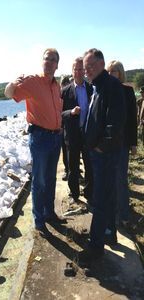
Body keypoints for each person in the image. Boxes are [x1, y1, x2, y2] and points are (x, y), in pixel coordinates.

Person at [4, 48, 65, 238]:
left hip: (55, 137)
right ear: (43, 61)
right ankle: (39, 221)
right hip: (40, 138)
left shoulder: (57, 86)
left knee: (50, 178)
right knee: (39, 181)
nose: (49, 62)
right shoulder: (33, 81)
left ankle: (49, 213)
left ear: (57, 64)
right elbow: (9, 94)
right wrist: (12, 82)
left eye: (53, 59)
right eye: (47, 58)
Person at [78, 48, 126, 267]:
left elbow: (114, 124)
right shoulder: (98, 86)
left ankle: (95, 247)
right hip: (98, 153)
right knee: (106, 197)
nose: (86, 71)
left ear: (101, 64)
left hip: (105, 155)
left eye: (89, 66)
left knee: (100, 201)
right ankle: (110, 235)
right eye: (85, 67)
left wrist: (100, 148)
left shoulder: (111, 86)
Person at [106, 60, 137, 228]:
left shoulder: (127, 91)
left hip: (123, 143)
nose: (111, 74)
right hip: (106, 145)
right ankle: (113, 211)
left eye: (115, 71)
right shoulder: (104, 91)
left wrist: (133, 143)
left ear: (121, 73)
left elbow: (132, 119)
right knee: (109, 180)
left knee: (121, 179)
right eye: (109, 71)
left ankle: (124, 215)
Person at [61, 57, 93, 204]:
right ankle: (74, 194)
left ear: (85, 71)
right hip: (72, 135)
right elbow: (59, 114)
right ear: (72, 71)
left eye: (81, 69)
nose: (78, 72)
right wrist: (71, 113)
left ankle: (89, 193)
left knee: (89, 166)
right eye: (76, 69)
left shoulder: (91, 89)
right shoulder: (65, 91)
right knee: (73, 168)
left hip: (88, 135)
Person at [60, 75, 71, 181]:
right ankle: (67, 170)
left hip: (70, 126)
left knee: (69, 151)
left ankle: (70, 171)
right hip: (63, 126)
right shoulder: (61, 93)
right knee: (65, 150)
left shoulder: (71, 92)